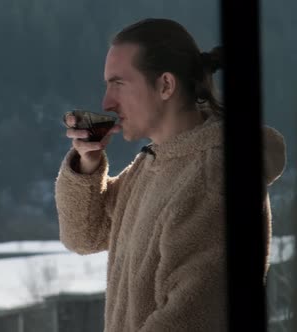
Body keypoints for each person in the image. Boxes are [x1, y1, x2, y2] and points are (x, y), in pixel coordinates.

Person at [54, 18, 286, 331]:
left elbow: (193, 317)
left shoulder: (212, 177)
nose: (106, 102)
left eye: (118, 84)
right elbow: (85, 235)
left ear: (165, 85)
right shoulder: (153, 165)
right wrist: (88, 166)